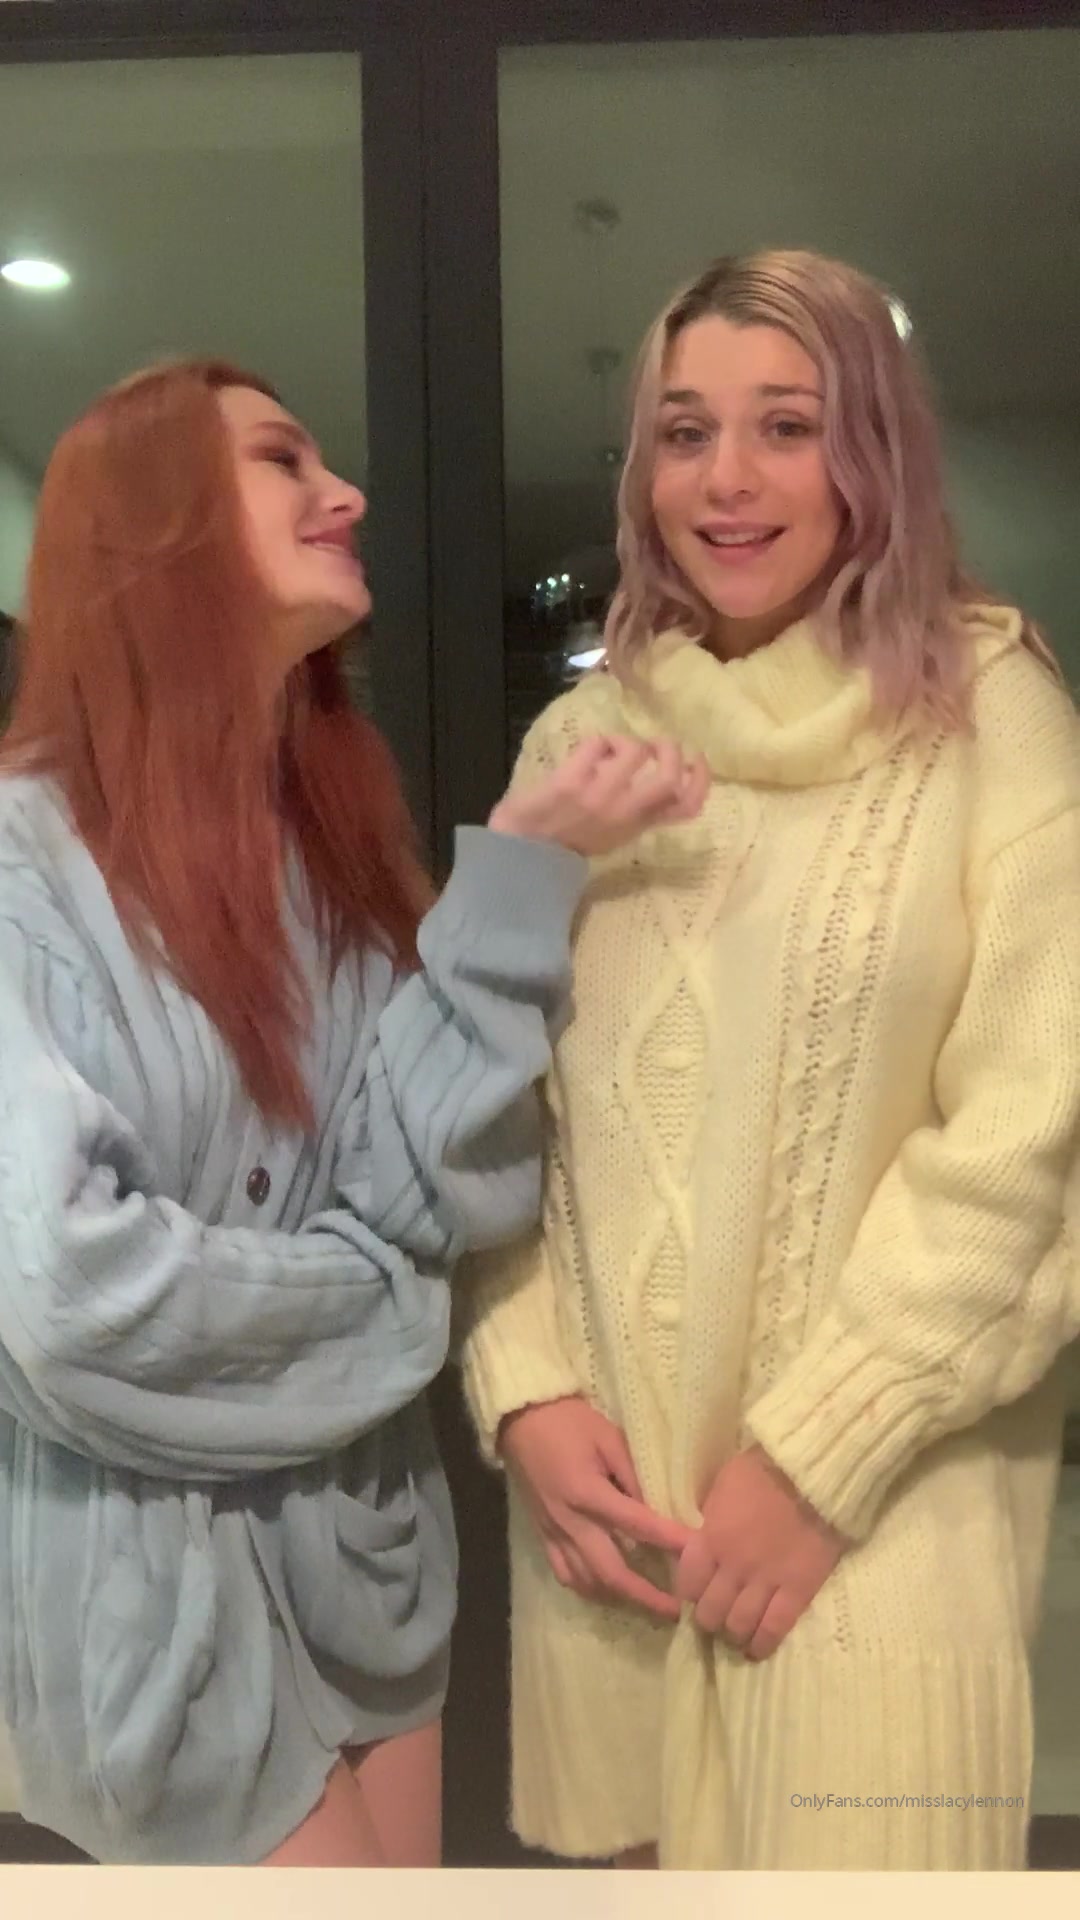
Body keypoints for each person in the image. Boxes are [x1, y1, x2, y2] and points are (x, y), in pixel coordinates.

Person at [0, 358, 708, 1868]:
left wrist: (517, 875)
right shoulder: (21, 874)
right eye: (283, 459)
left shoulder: (338, 861)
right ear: (155, 524)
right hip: (156, 1615)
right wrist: (384, 1310)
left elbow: (448, 1195)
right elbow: (68, 1299)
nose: (347, 494)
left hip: (367, 1569)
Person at [455, 249, 1080, 1871]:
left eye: (786, 426)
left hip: (878, 1519)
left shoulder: (996, 721)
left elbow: (1034, 1141)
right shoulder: (580, 744)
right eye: (684, 432)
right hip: (613, 1539)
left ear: (873, 451)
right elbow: (487, 1108)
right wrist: (522, 1390)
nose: (724, 480)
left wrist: (817, 1458)